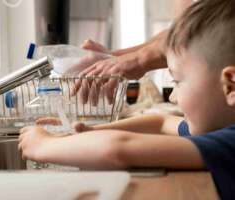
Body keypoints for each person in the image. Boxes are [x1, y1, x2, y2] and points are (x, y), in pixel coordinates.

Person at [19, 0, 235, 199]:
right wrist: (91, 133)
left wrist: (41, 145)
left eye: (177, 81)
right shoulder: (220, 125)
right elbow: (160, 122)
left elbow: (118, 150)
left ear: (230, 86)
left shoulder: (230, 142)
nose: (175, 97)